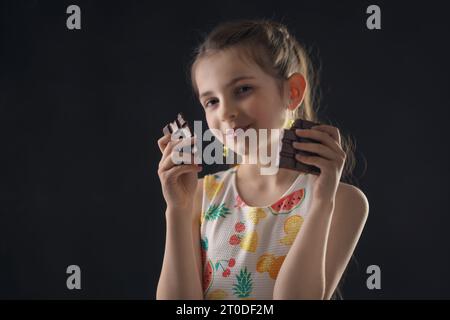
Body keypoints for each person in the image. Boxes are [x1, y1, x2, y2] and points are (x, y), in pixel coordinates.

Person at [156, 19, 369, 300]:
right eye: (212, 101)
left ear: (291, 92)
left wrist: (321, 202)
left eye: (242, 89)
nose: (226, 112)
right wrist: (177, 209)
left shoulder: (342, 202)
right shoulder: (199, 197)